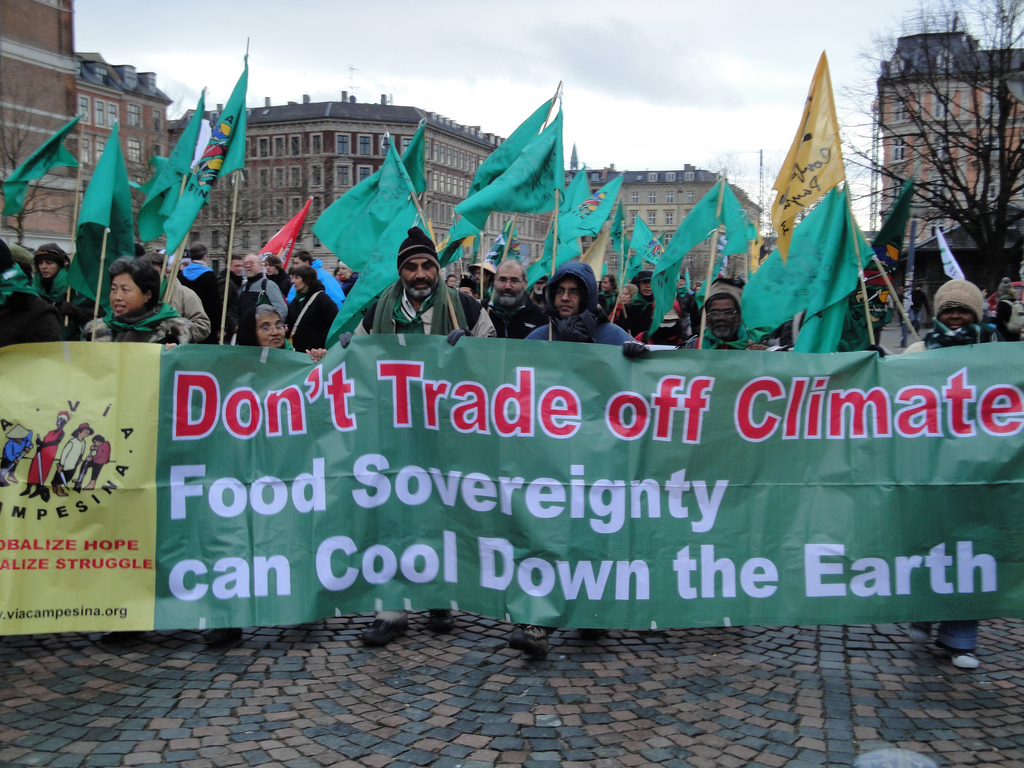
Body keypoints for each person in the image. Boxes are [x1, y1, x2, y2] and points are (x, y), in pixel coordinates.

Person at [312, 227, 494, 647]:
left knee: (442, 514)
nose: (420, 274)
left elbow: (495, 355)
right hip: (391, 432)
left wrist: (471, 350)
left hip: (446, 431)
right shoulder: (378, 310)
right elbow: (353, 353)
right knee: (392, 516)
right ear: (400, 271)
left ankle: (440, 598)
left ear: (437, 268)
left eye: (427, 265)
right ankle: (391, 609)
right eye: (411, 267)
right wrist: (339, 353)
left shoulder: (464, 306)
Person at [513, 261, 645, 657]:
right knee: (545, 539)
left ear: (587, 295)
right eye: (559, 291)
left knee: (591, 538)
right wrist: (461, 348)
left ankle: (591, 611)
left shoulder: (610, 335)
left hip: (597, 458)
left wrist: (638, 357)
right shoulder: (538, 337)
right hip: (546, 457)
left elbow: (638, 386)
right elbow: (502, 376)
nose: (565, 298)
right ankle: (536, 622)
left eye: (573, 291)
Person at [904, 279, 1001, 669]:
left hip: (981, 467)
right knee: (930, 541)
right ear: (937, 313)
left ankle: (961, 639)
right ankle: (923, 611)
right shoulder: (917, 351)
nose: (955, 316)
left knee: (972, 547)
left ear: (977, 313)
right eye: (948, 310)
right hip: (929, 465)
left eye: (962, 309)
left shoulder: (999, 354)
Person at [84, 256, 192, 345]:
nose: (117, 297)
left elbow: (190, 366)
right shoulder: (96, 331)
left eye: (125, 290)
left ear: (147, 295)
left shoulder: (174, 332)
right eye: (113, 289)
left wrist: (175, 357)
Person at [0, 238, 60, 349]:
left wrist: (75, 311)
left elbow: (50, 362)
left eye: (49, 262)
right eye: (40, 263)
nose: (44, 267)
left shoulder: (39, 314)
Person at [138, 253, 211, 342]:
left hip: (173, 353)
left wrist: (175, 336)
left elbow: (203, 326)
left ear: (164, 270)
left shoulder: (184, 294)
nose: (149, 276)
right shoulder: (136, 295)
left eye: (154, 272)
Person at [684, 279, 768, 350]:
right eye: (714, 313)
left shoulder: (760, 345)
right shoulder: (692, 348)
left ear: (739, 318)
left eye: (728, 312)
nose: (721, 317)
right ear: (707, 318)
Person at [235, 254, 287, 346]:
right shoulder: (242, 288)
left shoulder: (268, 285)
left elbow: (281, 310)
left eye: (251, 263)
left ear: (260, 266)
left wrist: (270, 329)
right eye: (246, 263)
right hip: (246, 338)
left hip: (263, 340)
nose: (248, 266)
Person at [487, 260, 546, 339]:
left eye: (514, 281)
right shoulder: (482, 312)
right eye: (503, 280)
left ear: (525, 284)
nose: (507, 286)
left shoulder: (541, 317)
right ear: (495, 281)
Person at [286, 264, 337, 353]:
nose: (292, 281)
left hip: (315, 353)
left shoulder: (322, 299)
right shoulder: (295, 301)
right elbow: (289, 322)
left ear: (307, 280)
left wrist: (318, 344)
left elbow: (333, 325)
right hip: (297, 352)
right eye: (292, 277)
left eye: (297, 278)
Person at [178, 244, 223, 343]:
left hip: (184, 324)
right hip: (206, 325)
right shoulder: (209, 276)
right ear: (204, 257)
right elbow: (215, 304)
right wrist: (219, 327)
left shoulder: (180, 276)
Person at [22, 411, 68, 501]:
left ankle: (38, 489)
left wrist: (42, 444)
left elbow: (55, 442)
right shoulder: (50, 432)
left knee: (42, 471)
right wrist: (39, 441)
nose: (59, 421)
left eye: (61, 420)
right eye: (58, 420)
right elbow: (45, 441)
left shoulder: (61, 433)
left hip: (49, 454)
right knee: (33, 469)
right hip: (40, 452)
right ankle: (28, 489)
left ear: (64, 423)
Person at [219, 254, 244, 343]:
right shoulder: (226, 283)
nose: (240, 268)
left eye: (241, 265)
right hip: (229, 329)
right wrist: (233, 325)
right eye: (237, 266)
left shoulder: (235, 281)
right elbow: (222, 306)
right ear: (227, 266)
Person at [626, 270, 655, 338]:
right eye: (644, 282)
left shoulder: (658, 306)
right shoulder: (629, 307)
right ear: (639, 285)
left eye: (650, 282)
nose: (648, 286)